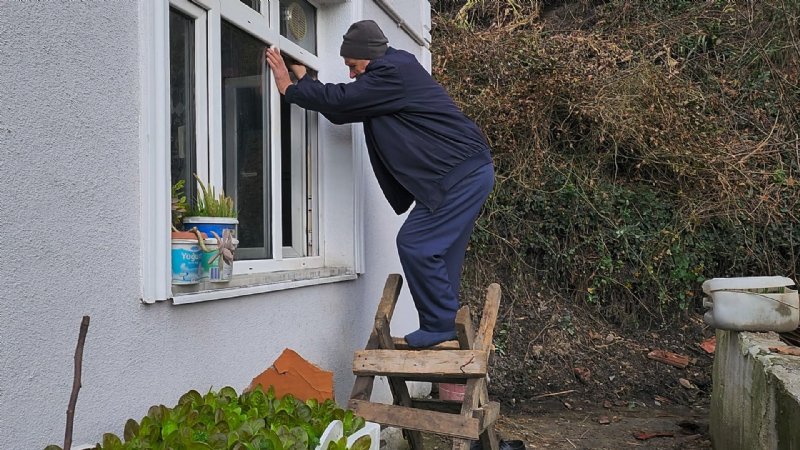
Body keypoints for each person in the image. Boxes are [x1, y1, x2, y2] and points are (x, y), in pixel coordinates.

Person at [266, 20, 494, 348]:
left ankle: (441, 325)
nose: (351, 74)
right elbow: (343, 109)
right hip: (467, 171)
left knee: (416, 243)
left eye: (354, 66)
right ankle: (446, 329)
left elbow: (343, 100)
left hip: (459, 174)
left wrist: (290, 88)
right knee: (442, 255)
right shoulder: (391, 72)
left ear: (369, 58)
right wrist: (308, 81)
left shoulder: (392, 73)